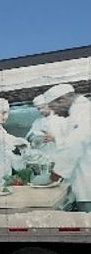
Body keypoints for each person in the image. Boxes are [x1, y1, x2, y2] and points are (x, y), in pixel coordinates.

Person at [46, 83, 91, 212]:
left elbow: (74, 144)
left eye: (54, 108)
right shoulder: (81, 110)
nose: (55, 113)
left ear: (62, 100)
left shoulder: (83, 112)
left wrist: (56, 173)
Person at [26, 93, 66, 167]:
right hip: (43, 161)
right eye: (38, 109)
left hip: (60, 160)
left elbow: (71, 141)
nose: (41, 111)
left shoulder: (61, 120)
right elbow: (29, 138)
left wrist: (54, 139)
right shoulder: (37, 122)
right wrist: (38, 139)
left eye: (43, 107)